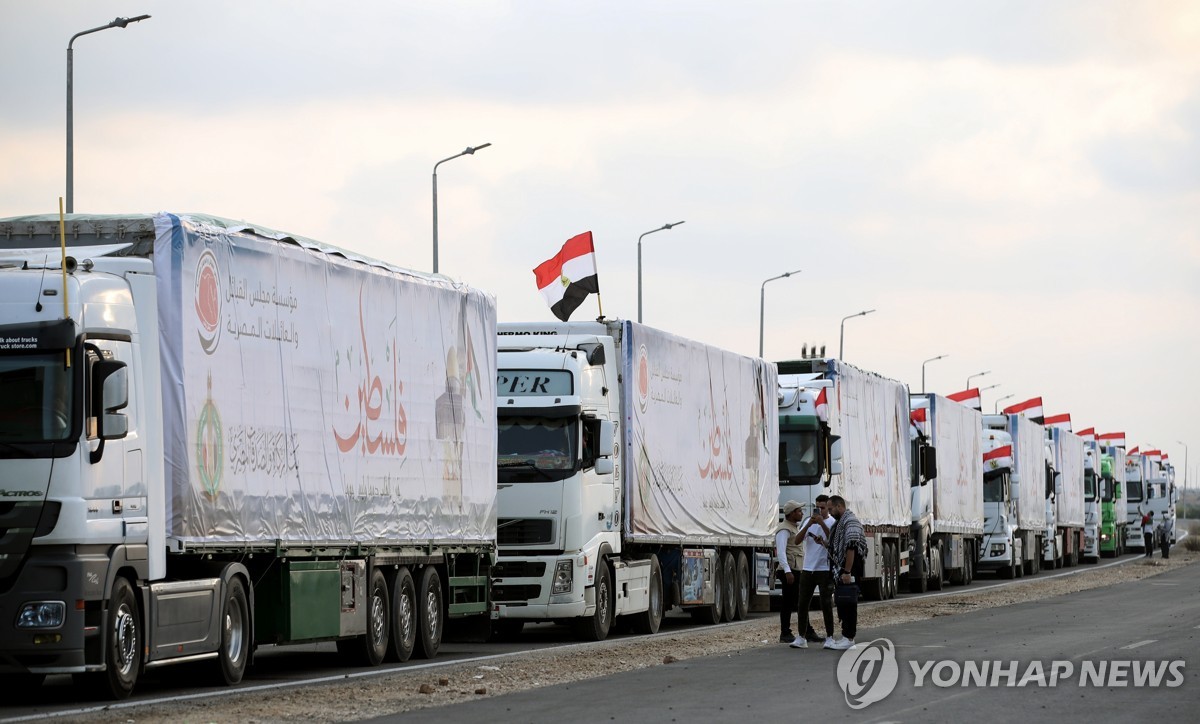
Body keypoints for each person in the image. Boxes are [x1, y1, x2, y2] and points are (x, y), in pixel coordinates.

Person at [792, 494, 835, 649]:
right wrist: (809, 523)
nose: (820, 511)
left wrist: (822, 524)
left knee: (826, 603)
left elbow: (834, 539)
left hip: (824, 568)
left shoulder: (832, 522)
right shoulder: (808, 521)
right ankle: (801, 636)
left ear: (828, 508)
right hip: (808, 568)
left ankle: (830, 637)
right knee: (802, 603)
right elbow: (797, 540)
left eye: (823, 508)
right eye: (817, 507)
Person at [826, 495, 867, 651]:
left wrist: (847, 571)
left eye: (830, 509)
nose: (829, 513)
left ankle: (849, 637)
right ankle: (845, 636)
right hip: (843, 569)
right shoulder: (840, 523)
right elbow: (839, 546)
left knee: (849, 603)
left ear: (839, 506)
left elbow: (851, 547)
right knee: (843, 603)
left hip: (850, 569)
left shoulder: (850, 522)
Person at [775, 500, 807, 644]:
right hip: (789, 571)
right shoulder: (784, 529)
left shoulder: (794, 527)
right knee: (789, 602)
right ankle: (785, 632)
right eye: (799, 511)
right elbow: (781, 552)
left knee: (798, 601)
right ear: (792, 513)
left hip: (795, 569)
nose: (802, 513)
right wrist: (788, 571)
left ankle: (805, 630)